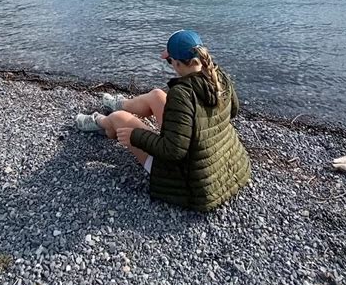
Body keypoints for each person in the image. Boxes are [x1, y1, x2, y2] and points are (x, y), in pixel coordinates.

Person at [75, 29, 251, 212]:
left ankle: (100, 122)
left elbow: (173, 151)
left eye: (169, 61)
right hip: (227, 168)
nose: (170, 65)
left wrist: (136, 136)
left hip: (192, 182)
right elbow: (233, 110)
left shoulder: (182, 94)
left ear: (178, 63)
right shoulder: (218, 75)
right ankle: (120, 104)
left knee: (120, 120)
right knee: (158, 96)